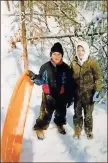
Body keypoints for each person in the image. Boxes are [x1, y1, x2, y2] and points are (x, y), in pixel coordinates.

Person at [28, 42, 74, 140]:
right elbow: (40, 80)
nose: (56, 56)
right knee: (45, 113)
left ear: (62, 55)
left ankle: (59, 124)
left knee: (61, 112)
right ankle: (40, 127)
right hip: (48, 94)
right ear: (51, 55)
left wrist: (70, 97)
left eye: (59, 54)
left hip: (61, 95)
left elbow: (70, 83)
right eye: (54, 54)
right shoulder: (45, 66)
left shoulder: (66, 68)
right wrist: (34, 77)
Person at [70, 40, 102, 139]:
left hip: (89, 94)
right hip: (77, 94)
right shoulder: (74, 63)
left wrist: (97, 91)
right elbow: (70, 78)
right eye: (78, 50)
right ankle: (78, 130)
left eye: (82, 50)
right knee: (77, 113)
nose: (80, 52)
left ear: (86, 50)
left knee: (88, 114)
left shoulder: (92, 63)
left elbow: (98, 78)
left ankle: (88, 130)